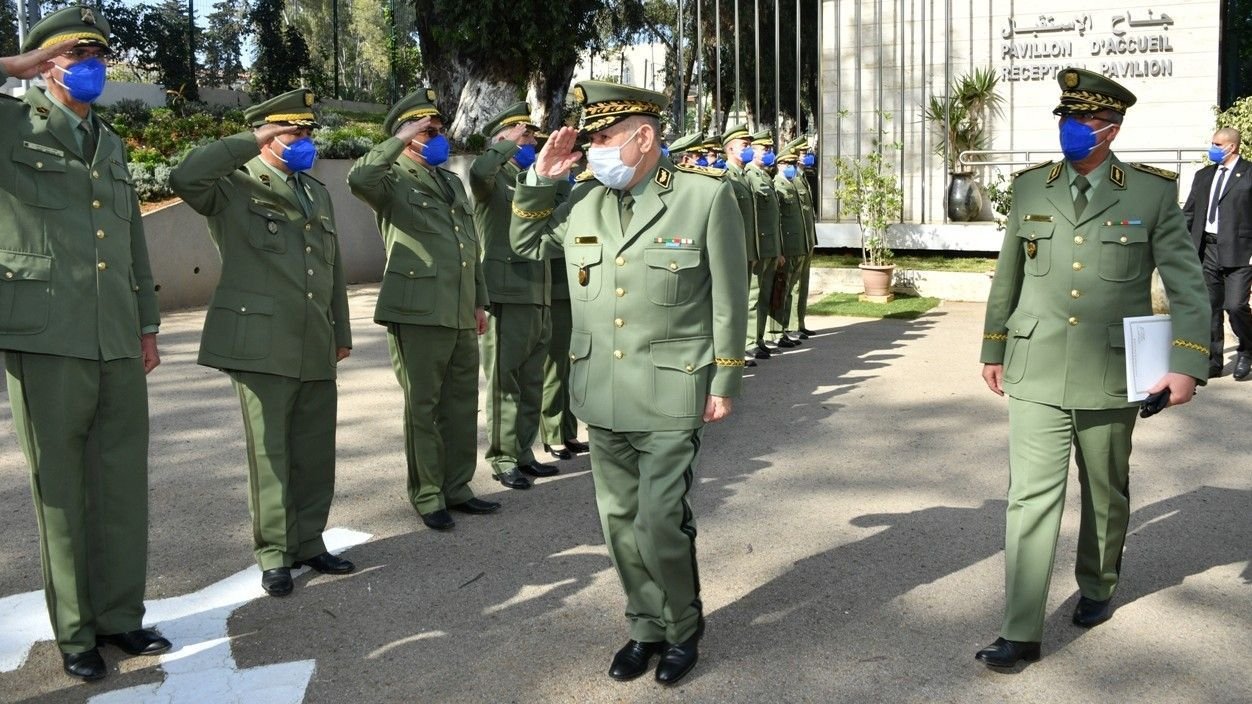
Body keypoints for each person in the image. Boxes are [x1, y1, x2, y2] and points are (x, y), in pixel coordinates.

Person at [510, 80, 747, 686]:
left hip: (671, 387)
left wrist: (724, 378)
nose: (594, 151)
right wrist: (543, 176)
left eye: (604, 139)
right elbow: (525, 242)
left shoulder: (702, 198)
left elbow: (728, 294)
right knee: (618, 520)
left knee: (659, 517)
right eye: (589, 141)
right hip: (602, 388)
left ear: (644, 138)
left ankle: (683, 626)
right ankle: (644, 626)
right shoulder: (584, 203)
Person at [976, 68, 1210, 668]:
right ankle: (1020, 628)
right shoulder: (1031, 188)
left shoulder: (1150, 193)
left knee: (1104, 490)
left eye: (1082, 121)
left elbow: (1187, 288)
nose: (1070, 130)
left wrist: (1186, 366)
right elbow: (1010, 275)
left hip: (1110, 370)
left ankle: (1099, 583)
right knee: (1029, 498)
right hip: (1036, 365)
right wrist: (994, 346)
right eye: (1065, 119)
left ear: (1110, 128)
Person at [0, 6, 170, 681]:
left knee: (122, 481)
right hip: (46, 335)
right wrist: (10, 70)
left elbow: (128, 240)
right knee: (63, 490)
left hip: (114, 335)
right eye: (78, 55)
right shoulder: (12, 125)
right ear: (46, 64)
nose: (93, 67)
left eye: (97, 55)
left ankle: (120, 617)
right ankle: (75, 633)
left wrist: (148, 322)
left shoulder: (110, 141)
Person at [170, 88, 355, 599]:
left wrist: (339, 330)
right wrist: (249, 141)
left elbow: (332, 270)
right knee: (271, 450)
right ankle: (274, 553)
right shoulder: (232, 185)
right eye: (292, 132)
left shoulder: (314, 192)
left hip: (314, 336)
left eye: (307, 132)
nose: (304, 141)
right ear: (267, 136)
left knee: (315, 448)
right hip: (262, 339)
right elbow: (184, 177)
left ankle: (309, 540)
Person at [348, 88, 496, 532]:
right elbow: (358, 178)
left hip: (457, 310)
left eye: (438, 129)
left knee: (461, 402)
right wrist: (398, 138)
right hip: (417, 311)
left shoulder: (450, 180)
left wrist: (479, 301)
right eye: (427, 130)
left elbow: (470, 247)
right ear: (407, 135)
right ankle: (428, 494)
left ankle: (457, 486)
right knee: (424, 406)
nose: (438, 137)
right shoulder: (391, 179)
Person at [470, 102, 560, 488]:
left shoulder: (529, 176)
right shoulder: (494, 179)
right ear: (502, 139)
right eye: (525, 135)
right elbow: (478, 171)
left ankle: (524, 451)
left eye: (532, 137)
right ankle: (503, 456)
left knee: (532, 379)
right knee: (505, 380)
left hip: (538, 290)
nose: (531, 142)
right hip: (506, 291)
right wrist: (507, 143)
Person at [536, 129, 591, 461]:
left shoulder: (576, 187)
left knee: (574, 366)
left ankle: (568, 430)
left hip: (578, 288)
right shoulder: (549, 188)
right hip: (556, 288)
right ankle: (553, 431)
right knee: (555, 366)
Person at [1182, 127, 1252, 379]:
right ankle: (1213, 361)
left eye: (1216, 144)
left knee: (1235, 306)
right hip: (1206, 248)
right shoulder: (1203, 175)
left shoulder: (1249, 174)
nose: (1211, 148)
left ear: (1231, 147)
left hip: (1240, 251)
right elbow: (1189, 212)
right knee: (1210, 307)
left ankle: (1247, 349)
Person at [721, 124, 762, 366]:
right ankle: (734, 352)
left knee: (745, 301)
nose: (749, 150)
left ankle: (743, 348)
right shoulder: (726, 176)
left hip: (746, 249)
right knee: (734, 304)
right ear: (730, 148)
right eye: (745, 146)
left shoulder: (743, 176)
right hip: (734, 252)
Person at [745, 129, 782, 359]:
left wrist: (777, 249)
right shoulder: (749, 175)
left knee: (764, 295)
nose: (769, 153)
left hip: (769, 247)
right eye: (764, 149)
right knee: (753, 296)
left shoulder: (765, 176)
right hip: (757, 247)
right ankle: (749, 341)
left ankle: (758, 338)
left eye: (769, 149)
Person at [768, 143, 809, 346]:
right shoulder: (778, 185)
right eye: (789, 163)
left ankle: (790, 326)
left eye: (794, 162)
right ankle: (776, 331)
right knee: (781, 289)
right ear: (780, 164)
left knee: (794, 287)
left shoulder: (793, 183)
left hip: (800, 244)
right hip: (787, 246)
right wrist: (780, 248)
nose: (793, 166)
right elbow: (778, 221)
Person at [791, 139, 819, 338]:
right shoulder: (791, 178)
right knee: (794, 286)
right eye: (801, 153)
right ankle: (791, 325)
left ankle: (800, 323)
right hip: (796, 240)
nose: (805, 156)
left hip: (807, 239)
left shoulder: (804, 176)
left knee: (803, 284)